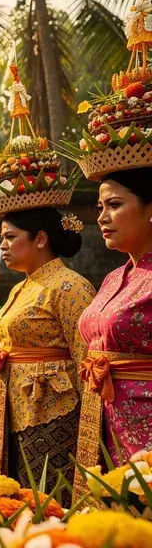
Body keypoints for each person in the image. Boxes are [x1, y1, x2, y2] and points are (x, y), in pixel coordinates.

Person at [0, 208, 94, 489]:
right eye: (2, 237)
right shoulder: (19, 288)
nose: (2, 245)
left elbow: (87, 359)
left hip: (54, 411)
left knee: (48, 495)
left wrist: (92, 428)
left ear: (41, 239)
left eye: (10, 236)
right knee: (17, 493)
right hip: (13, 408)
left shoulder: (69, 286)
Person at [76, 168, 152, 477]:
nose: (102, 217)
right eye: (100, 207)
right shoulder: (112, 278)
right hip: (102, 422)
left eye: (115, 205)